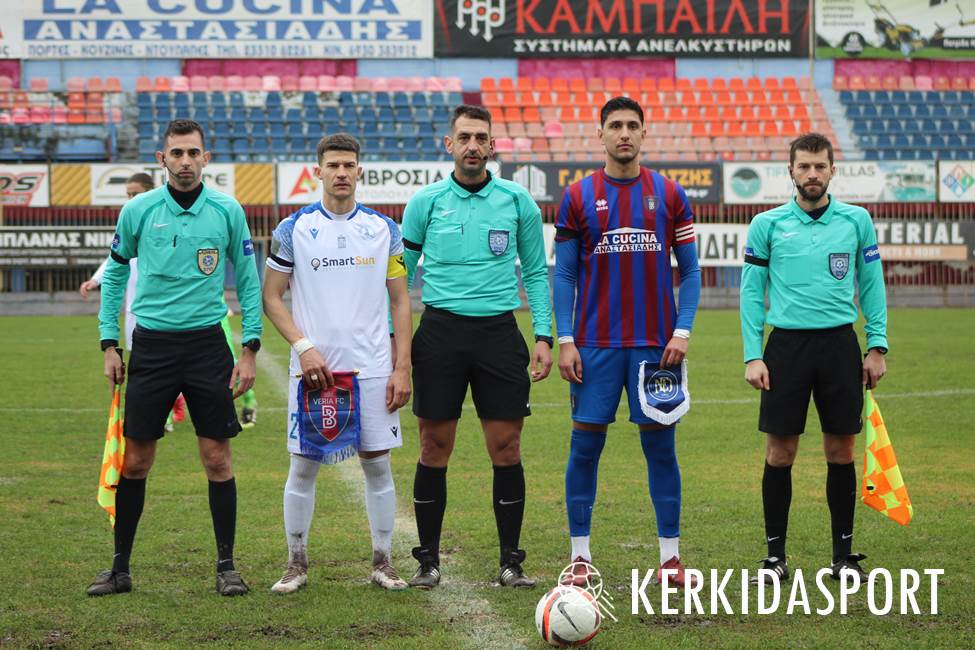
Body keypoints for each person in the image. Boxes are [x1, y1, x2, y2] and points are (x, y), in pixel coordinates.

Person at [88, 119, 262, 597]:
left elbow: (248, 279)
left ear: (206, 158)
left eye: (193, 153)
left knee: (217, 458)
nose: (185, 161)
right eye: (177, 153)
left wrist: (249, 348)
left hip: (207, 346)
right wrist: (109, 343)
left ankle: (227, 567)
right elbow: (115, 276)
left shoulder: (227, 210)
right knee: (136, 460)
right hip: (153, 346)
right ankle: (119, 569)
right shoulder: (139, 210)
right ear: (161, 159)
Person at [400, 104, 553, 589]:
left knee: (506, 447)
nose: (472, 145)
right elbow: (399, 276)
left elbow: (536, 272)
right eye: (464, 137)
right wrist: (394, 340)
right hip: (439, 333)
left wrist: (544, 335)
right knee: (433, 446)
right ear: (449, 144)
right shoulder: (425, 202)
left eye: (480, 138)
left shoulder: (517, 201)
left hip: (498, 334)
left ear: (491, 146)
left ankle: (511, 561)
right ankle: (428, 561)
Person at [553, 96, 702, 588]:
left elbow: (691, 272)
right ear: (600, 134)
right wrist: (566, 339)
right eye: (615, 125)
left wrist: (682, 331)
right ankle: (579, 557)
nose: (624, 133)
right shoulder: (577, 196)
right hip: (593, 347)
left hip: (656, 348)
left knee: (661, 449)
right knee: (584, 448)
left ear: (644, 133)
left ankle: (670, 560)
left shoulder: (670, 194)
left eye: (632, 125)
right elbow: (564, 275)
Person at [262, 133, 413, 593]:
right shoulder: (293, 229)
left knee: (378, 466)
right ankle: (296, 563)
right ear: (319, 171)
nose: (341, 173)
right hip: (314, 372)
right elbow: (271, 297)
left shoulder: (385, 230)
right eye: (333, 165)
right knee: (303, 467)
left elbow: (401, 301)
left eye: (349, 165)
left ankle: (383, 561)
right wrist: (303, 346)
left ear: (360, 171)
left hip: (372, 369)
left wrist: (402, 367)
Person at [740, 133, 888, 585]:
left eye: (819, 166)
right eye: (803, 166)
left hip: (839, 347)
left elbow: (872, 284)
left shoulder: (857, 221)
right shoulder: (766, 224)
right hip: (785, 349)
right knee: (780, 452)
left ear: (832, 170)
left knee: (841, 451)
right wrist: (753, 355)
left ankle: (843, 558)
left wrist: (876, 346)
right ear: (790, 171)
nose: (812, 174)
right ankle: (775, 558)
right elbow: (751, 293)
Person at [80, 173, 189, 432]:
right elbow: (114, 259)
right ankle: (161, 408)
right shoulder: (130, 220)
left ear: (149, 192)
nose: (130, 199)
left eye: (135, 194)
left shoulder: (162, 221)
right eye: (128, 194)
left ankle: (168, 408)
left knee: (166, 364)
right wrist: (96, 280)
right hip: (134, 309)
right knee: (140, 363)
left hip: (161, 307)